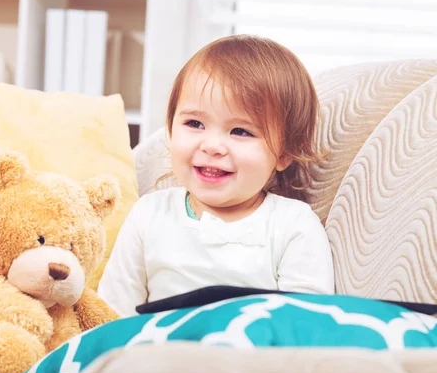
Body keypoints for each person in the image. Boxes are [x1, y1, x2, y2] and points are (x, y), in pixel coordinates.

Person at [98, 34, 335, 317]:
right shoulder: (149, 214)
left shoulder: (293, 224)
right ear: (171, 130)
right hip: (157, 353)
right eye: (194, 123)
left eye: (241, 131)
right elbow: (113, 314)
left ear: (284, 153)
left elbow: (306, 323)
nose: (211, 146)